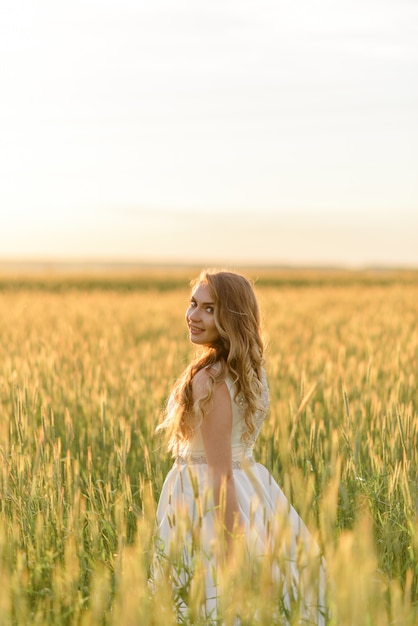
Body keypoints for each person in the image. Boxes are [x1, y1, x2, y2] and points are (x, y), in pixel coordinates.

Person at [153, 269, 326, 624]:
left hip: (207, 502)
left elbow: (220, 476)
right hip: (254, 490)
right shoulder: (248, 371)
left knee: (210, 599)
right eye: (193, 304)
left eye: (209, 309)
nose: (193, 316)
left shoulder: (211, 380)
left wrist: (235, 554)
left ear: (230, 317)